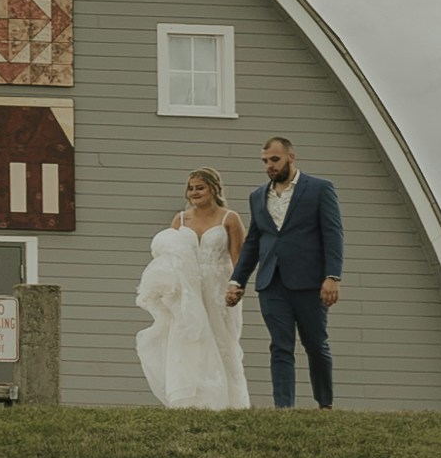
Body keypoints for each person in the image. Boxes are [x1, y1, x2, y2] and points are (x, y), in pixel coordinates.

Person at [224, 134, 345, 408]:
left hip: (310, 283)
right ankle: (284, 408)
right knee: (280, 346)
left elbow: (333, 234)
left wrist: (332, 276)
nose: (269, 165)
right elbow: (254, 241)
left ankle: (324, 404)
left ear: (291, 156)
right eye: (265, 161)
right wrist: (237, 280)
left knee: (315, 344)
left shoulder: (319, 189)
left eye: (275, 159)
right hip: (271, 284)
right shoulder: (257, 196)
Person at [134, 169, 253, 409]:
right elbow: (170, 256)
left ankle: (227, 401)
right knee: (187, 339)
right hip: (187, 290)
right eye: (191, 188)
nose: (194, 192)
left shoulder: (229, 218)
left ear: (214, 189)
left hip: (218, 287)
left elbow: (239, 258)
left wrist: (236, 286)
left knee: (222, 340)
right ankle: (191, 400)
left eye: (200, 187)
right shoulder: (180, 220)